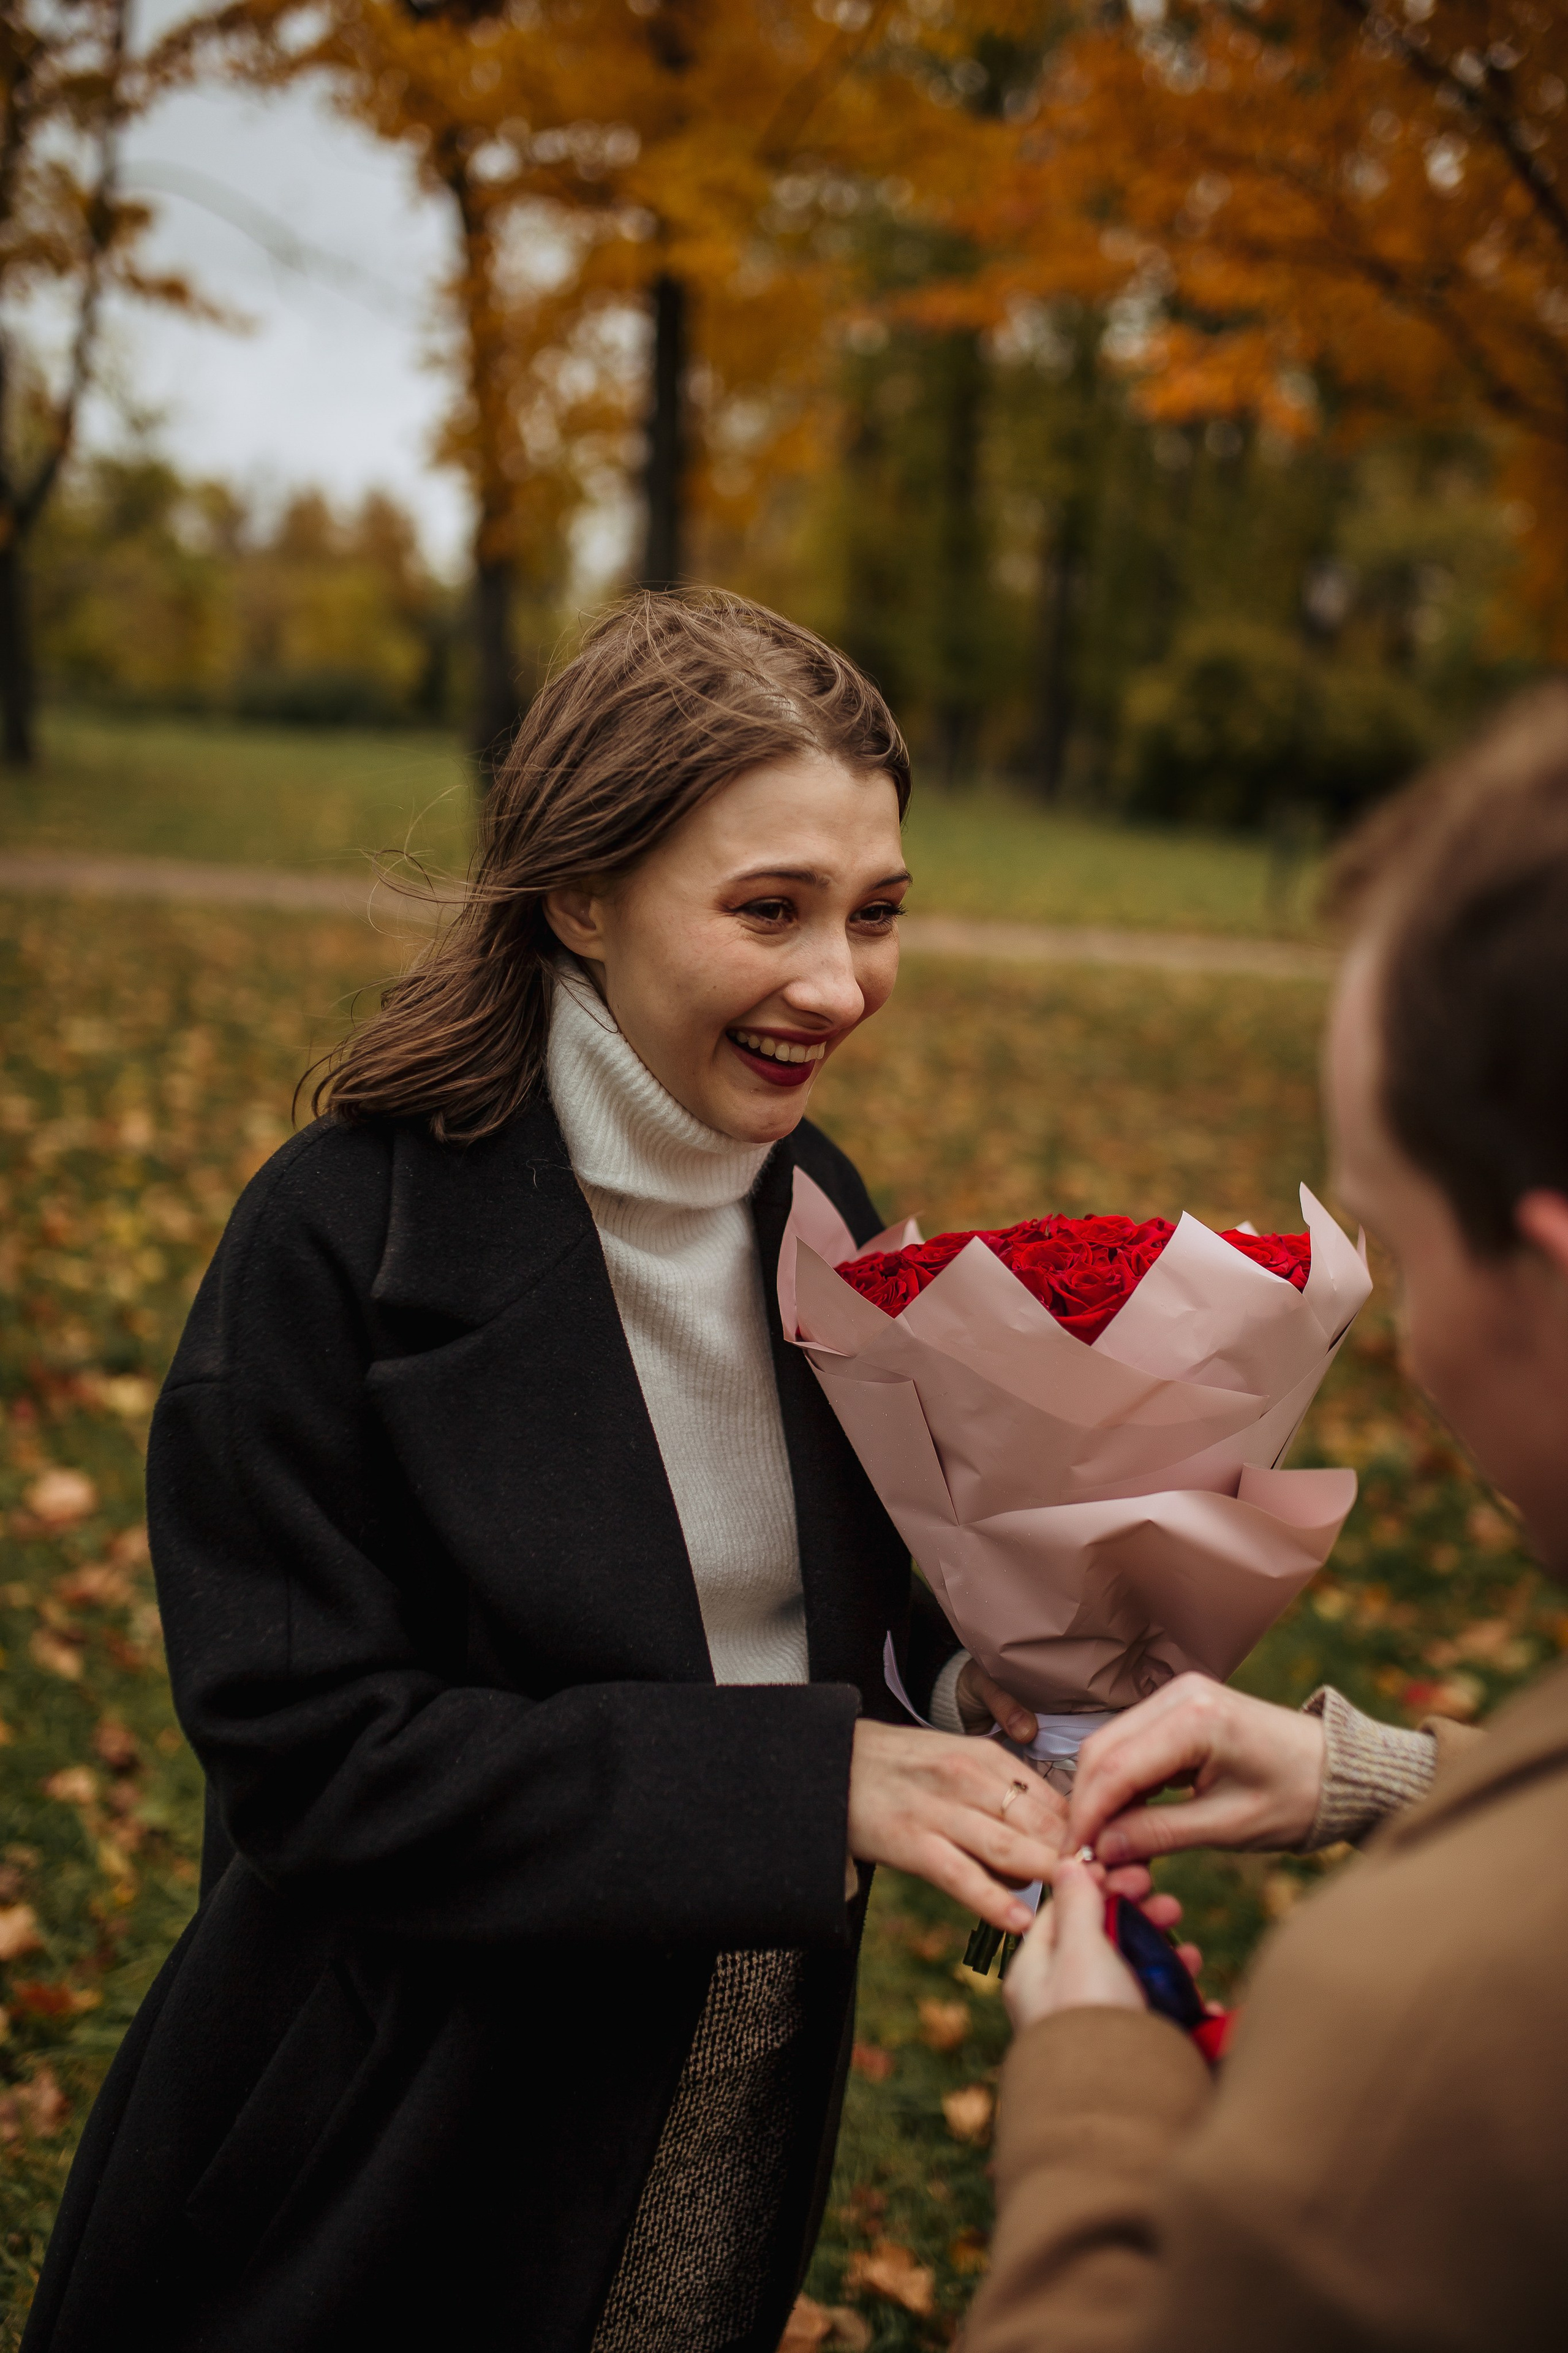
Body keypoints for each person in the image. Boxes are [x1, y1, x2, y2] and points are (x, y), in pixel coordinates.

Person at [24, 592, 1102, 2353]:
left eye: (878, 912)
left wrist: (980, 1685)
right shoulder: (332, 1244)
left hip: (733, 2081)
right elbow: (316, 1763)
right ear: (580, 895)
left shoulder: (817, 1201)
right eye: (771, 908)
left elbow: (805, 1619)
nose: (841, 984)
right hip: (400, 2142)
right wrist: (808, 1783)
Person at [960, 684, 1568, 2353]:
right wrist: (1381, 1776)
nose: (1408, 1340)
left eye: (1400, 1246)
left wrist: (1096, 2096)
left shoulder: (1429, 2038)